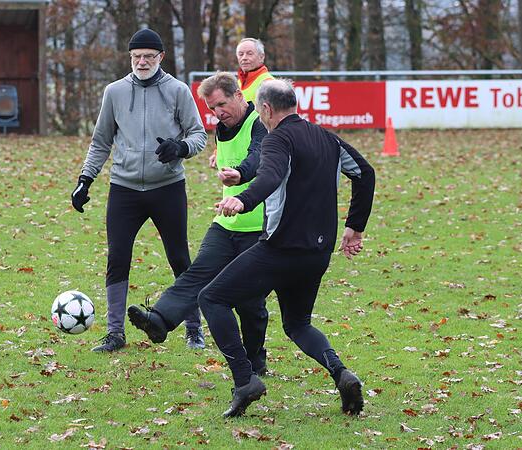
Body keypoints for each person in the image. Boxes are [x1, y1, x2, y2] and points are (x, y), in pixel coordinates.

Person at [200, 78, 375, 418]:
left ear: (265, 109)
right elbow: (365, 174)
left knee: (211, 298)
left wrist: (243, 200)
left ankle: (244, 380)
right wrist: (355, 227)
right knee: (297, 324)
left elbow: (269, 176)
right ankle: (342, 374)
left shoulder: (277, 138)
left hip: (280, 249)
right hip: (318, 252)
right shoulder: (327, 137)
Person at [71, 29, 207, 352]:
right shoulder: (114, 92)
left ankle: (193, 329)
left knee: (179, 258)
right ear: (129, 58)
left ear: (161, 57)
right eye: (136, 57)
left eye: (148, 56)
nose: (142, 62)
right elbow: (101, 141)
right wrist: (85, 179)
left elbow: (199, 134)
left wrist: (181, 147)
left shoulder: (178, 91)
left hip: (168, 188)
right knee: (117, 258)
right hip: (125, 189)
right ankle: (115, 333)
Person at [127, 72, 268, 361]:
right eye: (212, 109)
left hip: (258, 227)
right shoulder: (223, 127)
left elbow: (258, 155)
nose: (218, 113)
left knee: (250, 304)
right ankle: (159, 320)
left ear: (239, 96)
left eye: (221, 104)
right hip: (226, 222)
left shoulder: (260, 124)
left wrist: (241, 172)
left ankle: (255, 361)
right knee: (197, 274)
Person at [209, 38, 274, 169]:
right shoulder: (237, 84)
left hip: (260, 149)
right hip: (239, 150)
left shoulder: (268, 84)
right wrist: (218, 151)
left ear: (262, 57)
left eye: (250, 53)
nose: (244, 58)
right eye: (241, 54)